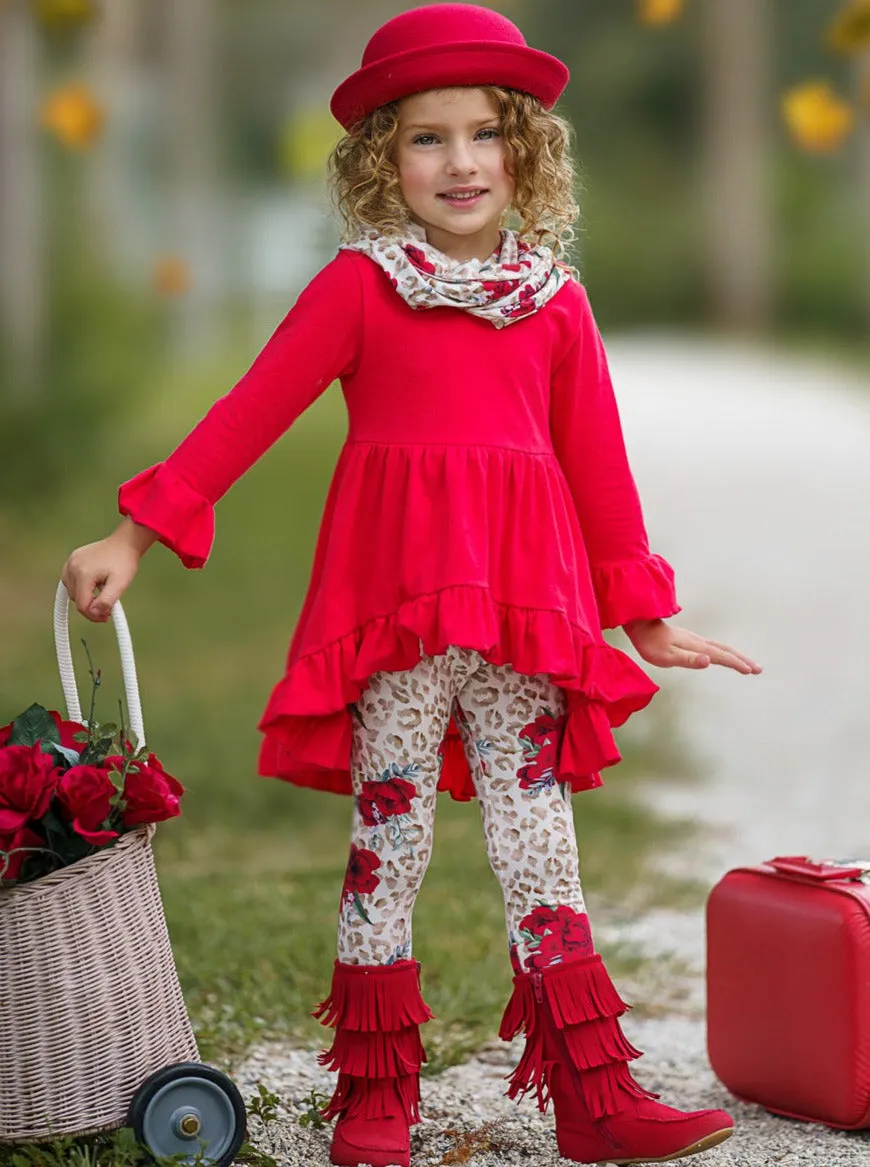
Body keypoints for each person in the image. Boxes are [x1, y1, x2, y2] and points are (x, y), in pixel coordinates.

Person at [62, 6, 761, 1166]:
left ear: (524, 150)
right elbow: (252, 410)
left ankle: (594, 1096)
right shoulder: (361, 289)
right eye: (427, 139)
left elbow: (599, 468)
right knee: (391, 843)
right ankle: (374, 1100)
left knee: (541, 845)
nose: (460, 162)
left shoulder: (555, 303)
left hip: (526, 615)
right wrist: (137, 532)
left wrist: (648, 614)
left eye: (484, 135)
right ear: (384, 160)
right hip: (397, 616)